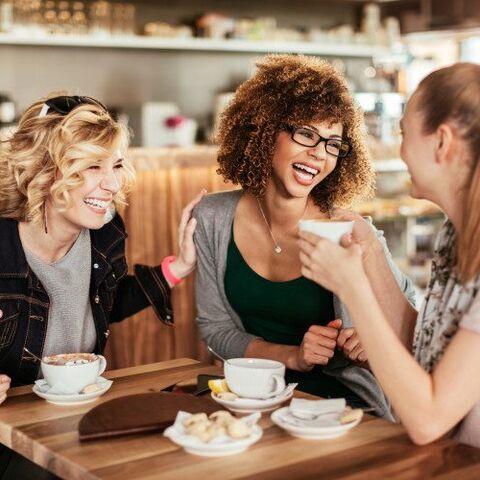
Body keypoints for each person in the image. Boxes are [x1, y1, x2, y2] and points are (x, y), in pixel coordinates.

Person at [194, 54, 415, 417]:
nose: (318, 154)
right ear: (263, 129)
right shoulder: (213, 218)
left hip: (346, 410)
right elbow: (215, 328)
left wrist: (375, 340)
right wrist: (292, 356)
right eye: (306, 133)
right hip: (254, 401)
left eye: (332, 143)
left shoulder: (350, 232)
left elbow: (411, 324)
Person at [0, 94, 204, 478]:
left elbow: (103, 301)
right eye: (93, 166)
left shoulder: (105, 234)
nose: (112, 183)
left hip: (76, 418)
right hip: (12, 436)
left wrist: (180, 265)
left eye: (116, 165)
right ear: (44, 171)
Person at [298, 62, 480, 447]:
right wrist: (370, 256)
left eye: (403, 134)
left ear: (441, 142)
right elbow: (424, 346)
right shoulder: (455, 233)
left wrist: (354, 288)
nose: (400, 152)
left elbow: (428, 420)